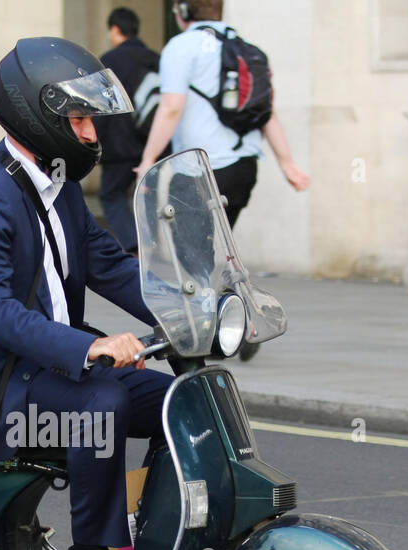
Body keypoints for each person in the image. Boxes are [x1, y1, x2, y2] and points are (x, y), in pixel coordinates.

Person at [0, 37, 172, 550]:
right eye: (80, 120)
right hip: (2, 387)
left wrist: (193, 308)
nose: (90, 134)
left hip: (53, 372)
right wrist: (91, 347)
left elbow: (112, 267)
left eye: (91, 121)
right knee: (103, 403)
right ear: (34, 114)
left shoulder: (58, 191)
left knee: (179, 402)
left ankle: (156, 534)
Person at [138, 0, 308, 359]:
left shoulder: (181, 47)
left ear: (183, 11)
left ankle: (219, 330)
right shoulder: (246, 48)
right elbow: (266, 114)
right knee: (220, 252)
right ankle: (239, 319)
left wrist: (149, 159)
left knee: (193, 260)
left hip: (200, 169)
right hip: (244, 168)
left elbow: (170, 106)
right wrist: (288, 163)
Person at [94, 7, 159, 254]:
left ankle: (134, 245)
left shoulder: (110, 60)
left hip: (119, 146)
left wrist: (94, 143)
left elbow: (101, 107)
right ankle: (152, 243)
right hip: (150, 143)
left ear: (114, 29)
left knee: (111, 196)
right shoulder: (155, 58)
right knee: (148, 198)